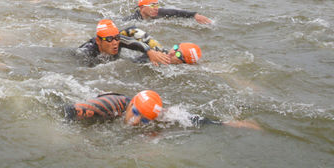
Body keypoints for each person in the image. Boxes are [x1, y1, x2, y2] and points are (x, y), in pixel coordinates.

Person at [64, 90, 259, 129]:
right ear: (131, 105)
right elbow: (67, 110)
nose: (137, 121)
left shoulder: (157, 114)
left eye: (146, 120)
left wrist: (227, 124)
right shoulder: (110, 105)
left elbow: (191, 119)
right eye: (136, 114)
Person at [76, 19, 171, 66]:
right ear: (98, 41)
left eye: (117, 38)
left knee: (149, 56)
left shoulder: (118, 40)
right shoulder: (87, 51)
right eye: (109, 39)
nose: (115, 43)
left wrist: (150, 52)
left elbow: (134, 43)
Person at [123, 0, 212, 24]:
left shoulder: (159, 12)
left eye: (157, 5)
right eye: (153, 5)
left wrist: (194, 15)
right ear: (142, 7)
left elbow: (176, 12)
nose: (156, 8)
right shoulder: (131, 20)